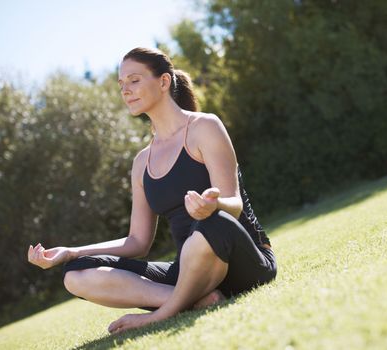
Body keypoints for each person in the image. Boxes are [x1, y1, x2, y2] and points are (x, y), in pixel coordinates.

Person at [27, 47, 276, 334]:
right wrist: (71, 252)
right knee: (76, 274)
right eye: (121, 84)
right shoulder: (141, 162)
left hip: (243, 261)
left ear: (164, 82)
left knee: (210, 225)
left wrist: (212, 207)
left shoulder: (204, 127)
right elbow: (137, 241)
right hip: (191, 273)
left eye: (134, 80)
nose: (126, 91)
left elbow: (234, 204)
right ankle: (193, 299)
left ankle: (164, 312)